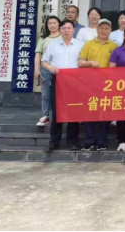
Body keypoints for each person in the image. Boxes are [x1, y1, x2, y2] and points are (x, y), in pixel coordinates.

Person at [41, 20, 85, 152]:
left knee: (74, 110)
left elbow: (84, 61)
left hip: (74, 81)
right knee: (57, 111)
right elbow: (44, 61)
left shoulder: (80, 44)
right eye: (64, 28)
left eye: (69, 28)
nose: (66, 30)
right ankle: (54, 141)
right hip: (58, 79)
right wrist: (50, 67)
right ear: (60, 30)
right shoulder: (53, 44)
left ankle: (72, 141)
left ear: (73, 30)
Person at [78, 19, 119, 151]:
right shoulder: (88, 44)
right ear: (97, 29)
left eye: (107, 28)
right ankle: (89, 140)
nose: (104, 31)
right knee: (90, 111)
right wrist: (90, 63)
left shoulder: (114, 46)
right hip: (90, 83)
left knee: (105, 112)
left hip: (107, 85)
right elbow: (80, 63)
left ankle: (102, 140)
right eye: (101, 28)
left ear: (110, 30)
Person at [34, 16, 62, 127]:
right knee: (45, 94)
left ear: (59, 24)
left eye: (54, 23)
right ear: (47, 25)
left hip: (60, 70)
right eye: (50, 23)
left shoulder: (63, 37)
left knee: (61, 94)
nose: (52, 25)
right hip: (45, 69)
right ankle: (45, 116)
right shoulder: (43, 38)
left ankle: (61, 115)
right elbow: (38, 55)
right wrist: (36, 69)